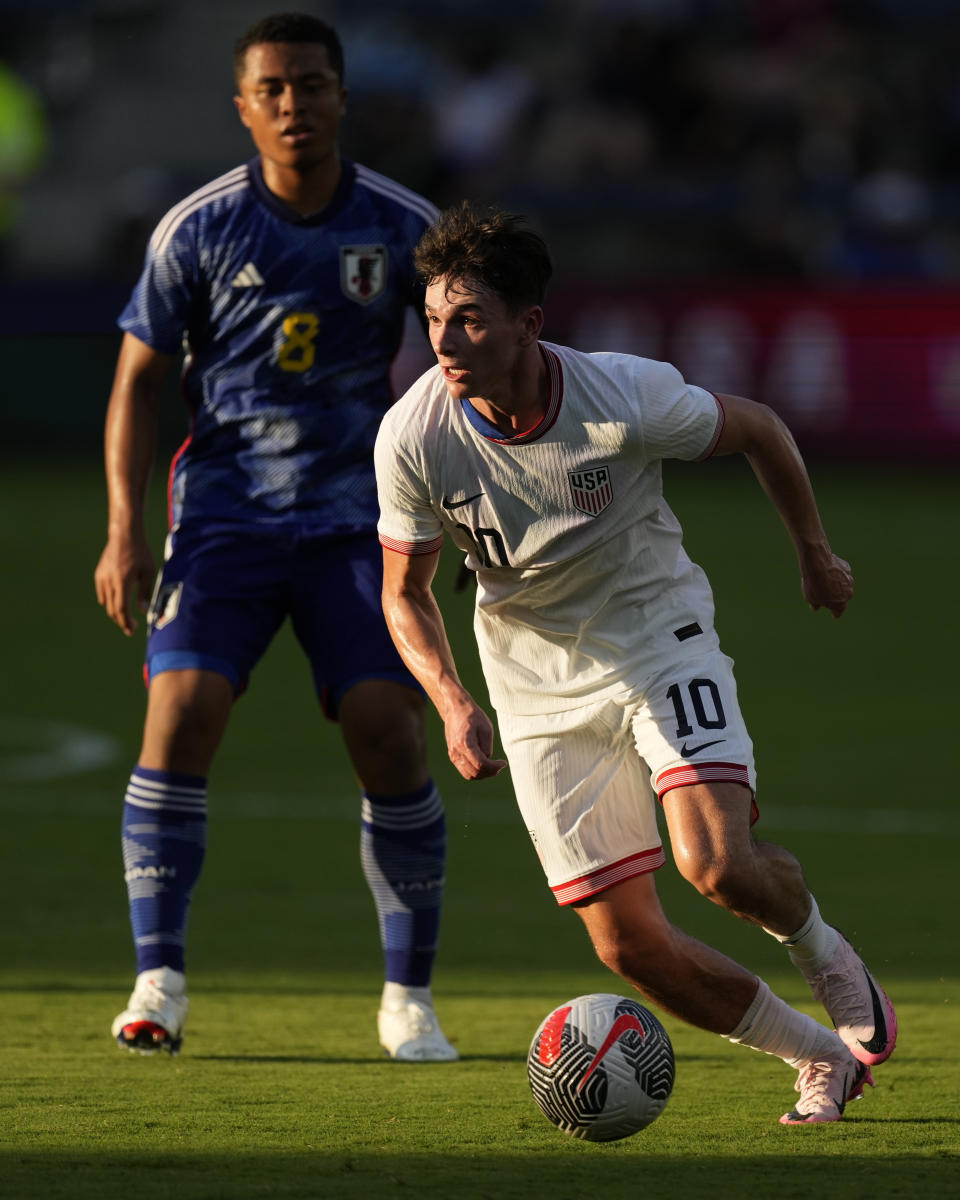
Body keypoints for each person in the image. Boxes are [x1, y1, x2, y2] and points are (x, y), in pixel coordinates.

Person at [374, 202, 897, 1122]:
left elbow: (763, 428)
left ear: (529, 325)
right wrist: (452, 701)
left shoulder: (621, 397)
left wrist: (814, 552)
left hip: (658, 638)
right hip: (534, 689)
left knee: (719, 866)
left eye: (468, 319)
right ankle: (821, 1058)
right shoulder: (414, 437)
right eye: (431, 321)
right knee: (628, 948)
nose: (445, 342)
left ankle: (823, 949)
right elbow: (405, 592)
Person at [93, 12, 457, 1063]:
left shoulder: (400, 225)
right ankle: (157, 980)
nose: (295, 103)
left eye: (312, 83)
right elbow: (134, 383)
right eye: (274, 89)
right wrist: (125, 533)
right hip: (225, 519)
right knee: (182, 714)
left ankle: (409, 999)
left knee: (390, 731)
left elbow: (456, 361)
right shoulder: (197, 229)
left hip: (360, 522)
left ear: (343, 96)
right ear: (244, 106)